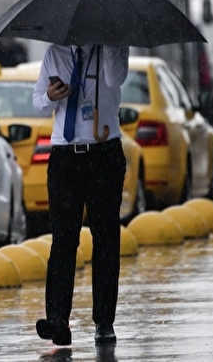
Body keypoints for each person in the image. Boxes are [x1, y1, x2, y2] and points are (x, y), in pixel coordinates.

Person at [32, 43, 129, 346]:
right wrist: (50, 97)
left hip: (104, 153)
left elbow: (115, 79)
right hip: (65, 156)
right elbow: (38, 103)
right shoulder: (55, 54)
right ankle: (58, 321)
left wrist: (110, 41)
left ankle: (104, 322)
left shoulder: (113, 47)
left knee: (105, 237)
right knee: (63, 239)